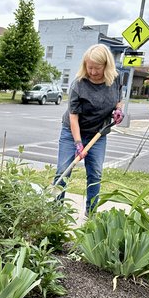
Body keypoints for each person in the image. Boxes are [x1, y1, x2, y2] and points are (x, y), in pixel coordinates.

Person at [54, 44, 124, 216]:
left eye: (97, 68)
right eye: (89, 67)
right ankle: (55, 213)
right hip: (72, 133)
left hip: (98, 134)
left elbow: (118, 100)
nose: (92, 72)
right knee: (63, 170)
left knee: (95, 173)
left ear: (106, 66)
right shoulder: (78, 84)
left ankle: (91, 213)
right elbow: (73, 118)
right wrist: (78, 143)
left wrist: (118, 110)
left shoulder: (116, 79)